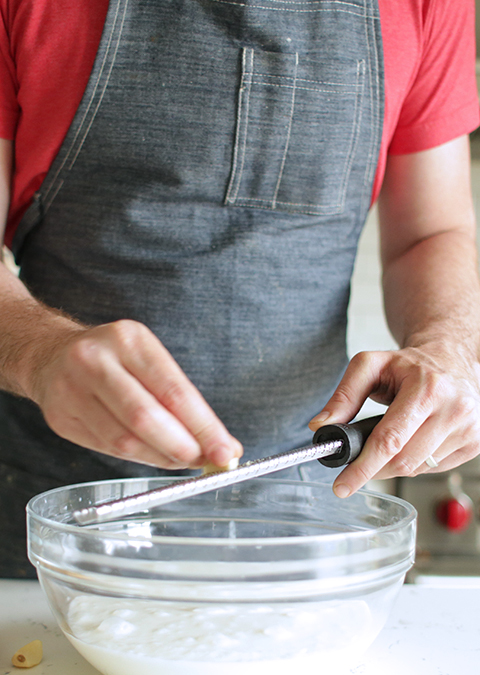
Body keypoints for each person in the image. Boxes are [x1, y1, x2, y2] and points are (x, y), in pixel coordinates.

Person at [0, 0, 479, 577]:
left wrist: (450, 347)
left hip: (307, 508)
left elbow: (432, 232)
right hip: (57, 522)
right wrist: (42, 353)